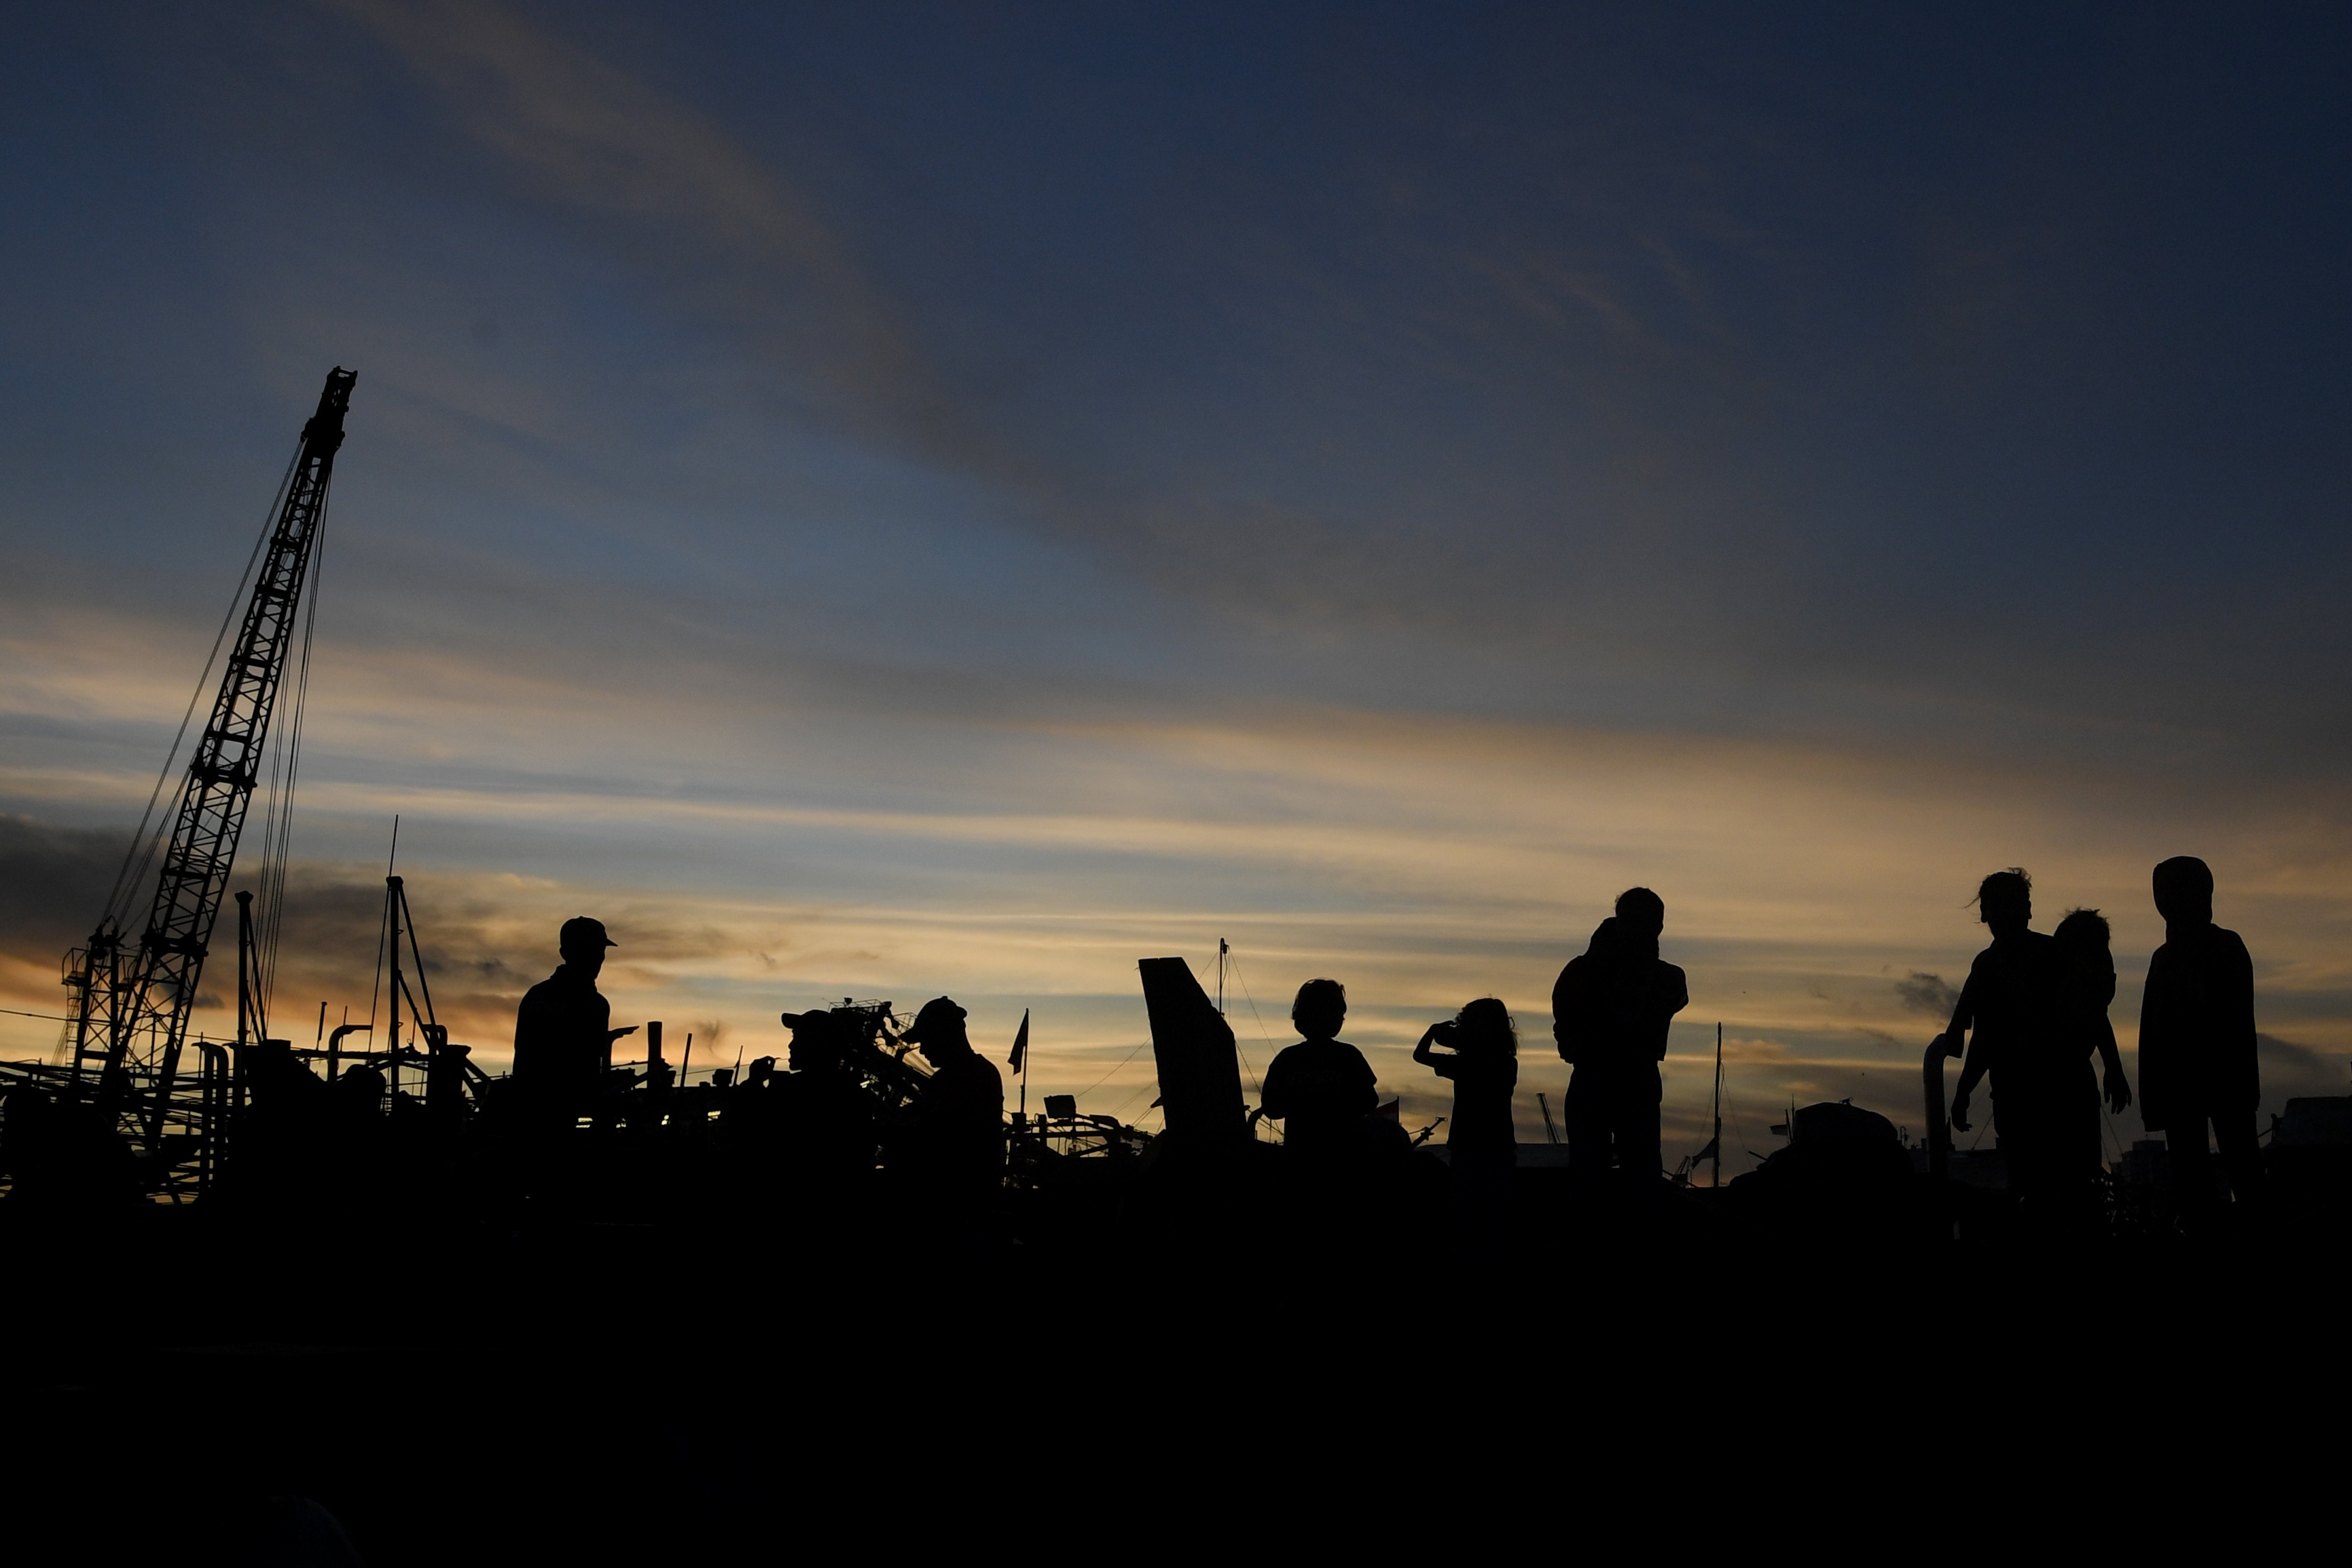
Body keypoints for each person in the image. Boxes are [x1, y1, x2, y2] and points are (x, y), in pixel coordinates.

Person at [1944, 870, 2074, 1214]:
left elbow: (2089, 1013)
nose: (2002, 914)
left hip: (2058, 1088)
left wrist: (2115, 1067)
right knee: (2030, 1185)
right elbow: (1982, 1035)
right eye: (1995, 906)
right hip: (2013, 1093)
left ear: (2027, 909)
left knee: (2062, 1186)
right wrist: (1964, 1091)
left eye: (2011, 905)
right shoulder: (1987, 965)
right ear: (1985, 913)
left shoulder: (2052, 954)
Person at [2137, 856, 2260, 1214]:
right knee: (2193, 1181)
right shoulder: (2164, 958)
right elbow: (2154, 1029)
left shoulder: (2224, 947)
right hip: (2180, 1087)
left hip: (2223, 1080)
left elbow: (2230, 1018)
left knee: (2241, 1168)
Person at [1552, 888, 1687, 1189]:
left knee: (1627, 1172)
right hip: (1609, 1079)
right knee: (1617, 1172)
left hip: (1622, 1080)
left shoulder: (1662, 977)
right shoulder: (1587, 970)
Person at [511, 917, 634, 1115]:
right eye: (589, 951)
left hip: (526, 1108)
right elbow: (586, 1065)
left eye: (598, 951)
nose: (597, 959)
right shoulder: (594, 1004)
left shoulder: (535, 996)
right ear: (566, 953)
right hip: (562, 1111)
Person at [899, 997, 1005, 1223]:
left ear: (945, 1036)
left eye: (927, 1040)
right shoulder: (975, 1074)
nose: (924, 1050)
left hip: (957, 1203)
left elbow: (942, 1137)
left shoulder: (969, 1078)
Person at [1413, 998, 1519, 1204]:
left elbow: (1420, 1055)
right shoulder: (1507, 1064)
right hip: (1500, 1146)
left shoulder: (1466, 1064)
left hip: (1467, 1148)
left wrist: (1433, 1031)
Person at [1261, 979, 1379, 1156]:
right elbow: (1369, 1100)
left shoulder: (1287, 1059)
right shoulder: (1348, 1056)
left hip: (1301, 1154)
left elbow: (1271, 1108)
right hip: (1342, 1155)